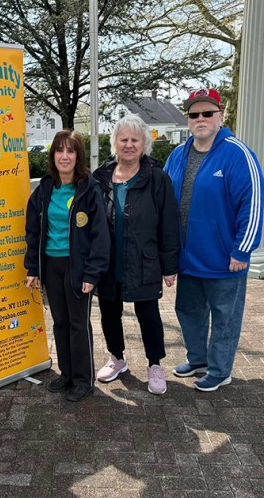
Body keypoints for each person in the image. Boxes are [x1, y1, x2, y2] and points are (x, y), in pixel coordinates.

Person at [163, 88, 264, 392]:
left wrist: (242, 250)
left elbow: (253, 203)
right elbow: (164, 200)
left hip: (224, 259)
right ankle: (198, 359)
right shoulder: (178, 154)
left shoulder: (237, 153)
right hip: (188, 258)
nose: (200, 119)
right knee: (189, 312)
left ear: (220, 116)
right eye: (194, 115)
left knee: (224, 318)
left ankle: (221, 370)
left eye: (208, 113)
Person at [92, 114, 179, 395]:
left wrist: (169, 266)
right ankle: (117, 358)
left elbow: (168, 224)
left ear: (144, 144)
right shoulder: (100, 178)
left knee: (149, 315)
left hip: (143, 261)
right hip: (108, 263)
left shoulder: (157, 179)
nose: (129, 145)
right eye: (123, 139)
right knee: (109, 313)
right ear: (115, 143)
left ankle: (155, 364)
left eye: (135, 140)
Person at [25, 130, 110, 402]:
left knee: (78, 324)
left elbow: (100, 235)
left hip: (78, 268)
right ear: (53, 155)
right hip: (51, 266)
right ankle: (67, 374)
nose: (64, 156)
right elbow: (33, 232)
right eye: (59, 150)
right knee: (60, 322)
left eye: (70, 151)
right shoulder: (45, 189)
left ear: (78, 156)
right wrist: (33, 268)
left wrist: (92, 273)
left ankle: (84, 380)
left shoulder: (89, 189)